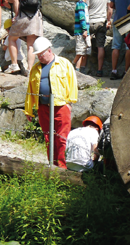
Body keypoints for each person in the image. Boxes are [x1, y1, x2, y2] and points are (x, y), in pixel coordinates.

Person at [24, 37, 77, 169]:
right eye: (37, 55)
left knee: (62, 137)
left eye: (41, 54)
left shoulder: (64, 63)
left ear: (49, 51)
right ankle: (51, 165)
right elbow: (30, 90)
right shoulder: (35, 69)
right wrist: (29, 110)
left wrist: (69, 103)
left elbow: (72, 83)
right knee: (48, 137)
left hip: (61, 106)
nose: (39, 58)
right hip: (43, 107)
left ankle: (62, 166)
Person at [0, 0, 43, 73]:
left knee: (11, 39)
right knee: (30, 44)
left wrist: (16, 16)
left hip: (23, 17)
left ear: (5, 0)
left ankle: (14, 65)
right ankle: (30, 69)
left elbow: (15, 0)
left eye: (4, 4)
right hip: (36, 17)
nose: (5, 6)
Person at [79, 0, 110, 77]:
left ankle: (82, 70)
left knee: (85, 46)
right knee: (100, 46)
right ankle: (99, 70)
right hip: (101, 22)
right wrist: (109, 21)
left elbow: (85, 8)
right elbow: (109, 8)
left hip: (89, 22)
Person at [73, 0, 91, 74]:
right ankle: (72, 64)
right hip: (81, 32)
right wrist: (84, 30)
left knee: (84, 52)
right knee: (80, 51)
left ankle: (79, 70)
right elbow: (81, 17)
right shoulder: (80, 4)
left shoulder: (84, 5)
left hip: (84, 31)